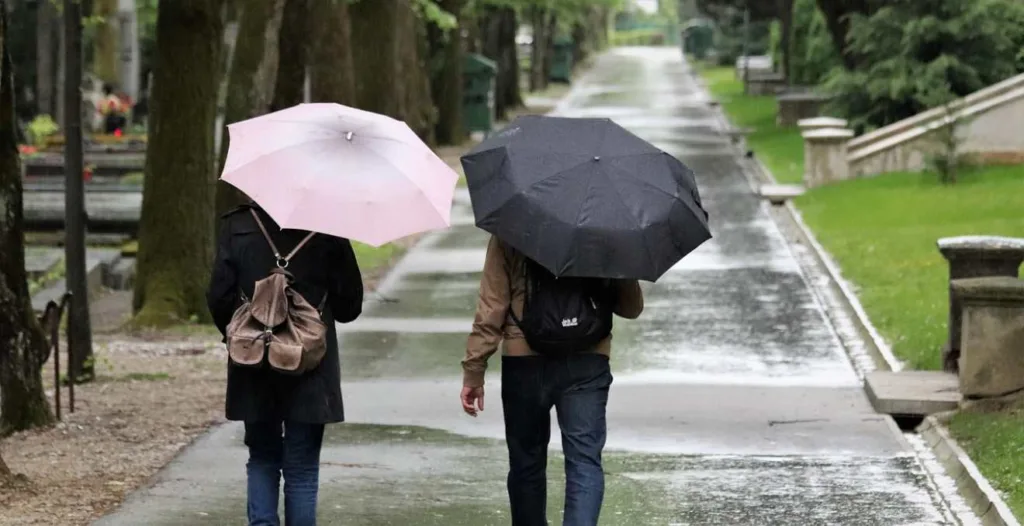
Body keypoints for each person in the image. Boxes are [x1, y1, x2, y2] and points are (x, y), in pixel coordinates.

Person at [461, 236, 644, 526]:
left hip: (524, 361)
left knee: (526, 464)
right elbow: (631, 308)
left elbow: (492, 306)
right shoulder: (607, 228)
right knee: (584, 462)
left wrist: (475, 369)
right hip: (588, 359)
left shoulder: (510, 228)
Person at [207, 202, 364, 526]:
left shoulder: (239, 225)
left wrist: (247, 334)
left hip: (253, 360)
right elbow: (349, 307)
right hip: (310, 365)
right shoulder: (329, 228)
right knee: (302, 467)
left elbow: (218, 297)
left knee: (262, 457)